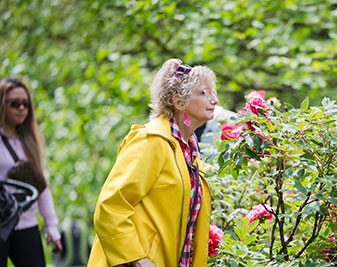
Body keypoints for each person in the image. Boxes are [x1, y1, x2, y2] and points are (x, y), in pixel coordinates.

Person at [88, 58, 219, 267]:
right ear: (179, 102)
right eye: (204, 93)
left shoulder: (190, 150)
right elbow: (110, 206)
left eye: (213, 93)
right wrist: (138, 259)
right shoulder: (151, 142)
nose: (214, 101)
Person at [0, 78, 62, 267]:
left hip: (26, 224)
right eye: (14, 103)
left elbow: (42, 187)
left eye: (25, 104)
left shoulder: (29, 141)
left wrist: (52, 226)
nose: (21, 108)